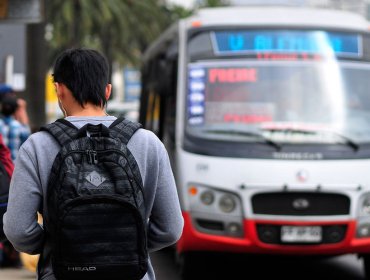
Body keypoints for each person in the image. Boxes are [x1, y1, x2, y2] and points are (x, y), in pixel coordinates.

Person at [3, 48, 184, 280]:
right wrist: (124, 245)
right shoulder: (148, 143)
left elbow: (18, 230)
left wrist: (63, 244)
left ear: (59, 89)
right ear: (107, 90)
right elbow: (170, 228)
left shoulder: (37, 146)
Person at [0, 93, 31, 161]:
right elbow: (27, 136)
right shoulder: (19, 127)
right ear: (15, 110)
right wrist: (22, 109)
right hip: (14, 167)